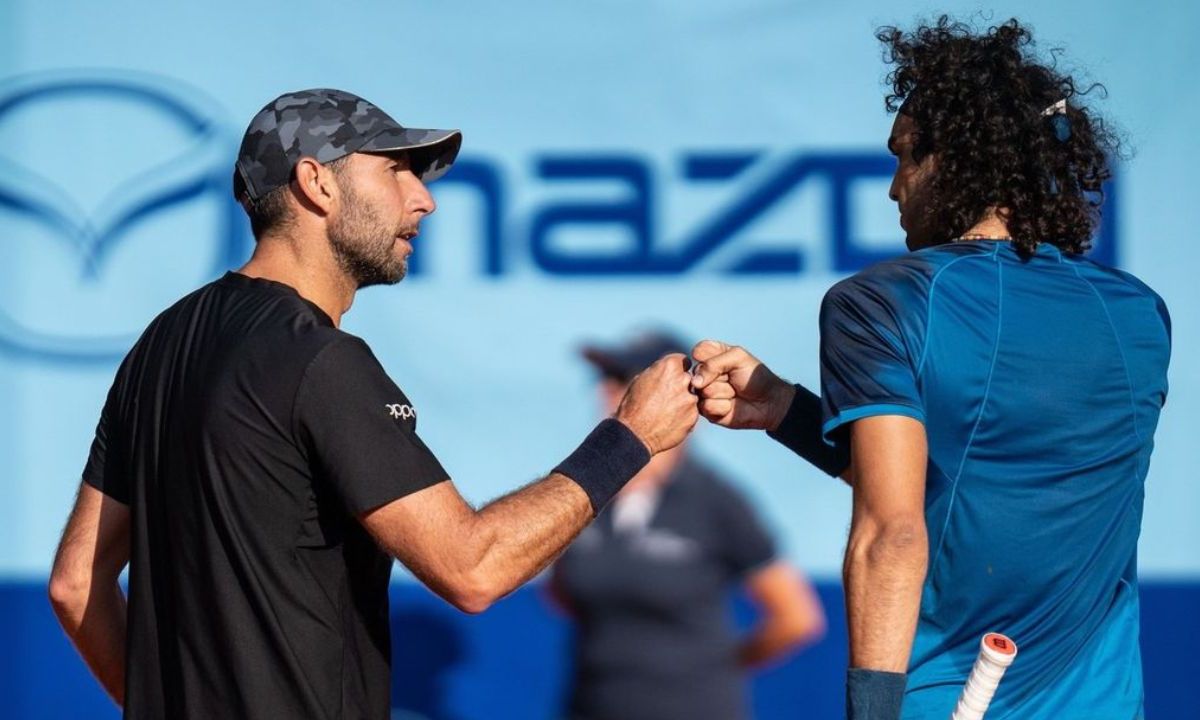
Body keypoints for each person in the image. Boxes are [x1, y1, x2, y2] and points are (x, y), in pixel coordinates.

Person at [46, 88, 699, 720]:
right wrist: (632, 435)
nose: (425, 200)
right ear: (318, 183)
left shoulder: (164, 341)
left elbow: (77, 585)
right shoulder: (321, 360)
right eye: (396, 171)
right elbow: (473, 568)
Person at [689, 17, 1170, 720]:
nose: (893, 188)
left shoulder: (883, 301)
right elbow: (977, 474)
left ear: (954, 161)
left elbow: (895, 528)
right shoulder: (1140, 314)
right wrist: (784, 409)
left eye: (905, 157)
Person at [549, 331, 825, 720]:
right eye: (603, 381)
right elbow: (561, 591)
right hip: (591, 706)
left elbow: (796, 617)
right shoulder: (585, 490)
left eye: (622, 380)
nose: (606, 394)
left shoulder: (715, 501)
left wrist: (709, 669)